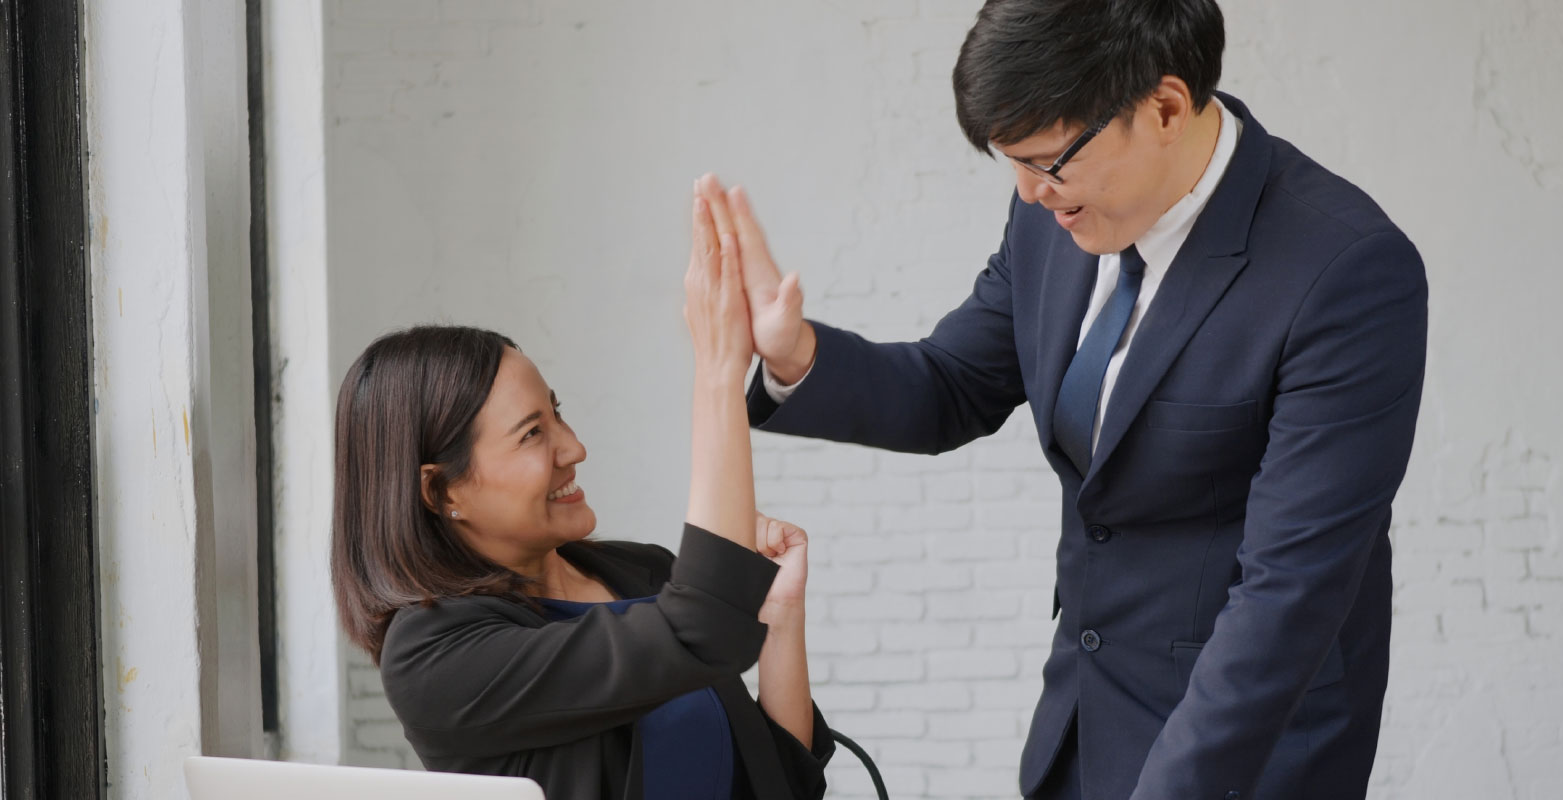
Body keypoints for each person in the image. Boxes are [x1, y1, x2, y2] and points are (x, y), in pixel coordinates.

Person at [698, 0, 1428, 797]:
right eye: (1010, 163)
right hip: (1083, 721)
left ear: (1166, 108)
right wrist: (794, 352)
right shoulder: (1055, 213)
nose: (1030, 192)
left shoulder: (1346, 271)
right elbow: (954, 384)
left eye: (1047, 162)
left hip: (1249, 753)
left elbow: (1288, 595)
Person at [328, 190, 833, 799]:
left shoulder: (641, 572)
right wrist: (719, 369)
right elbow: (703, 626)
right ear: (441, 491)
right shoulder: (434, 657)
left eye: (557, 414)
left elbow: (785, 782)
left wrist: (779, 616)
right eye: (533, 433)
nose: (573, 448)